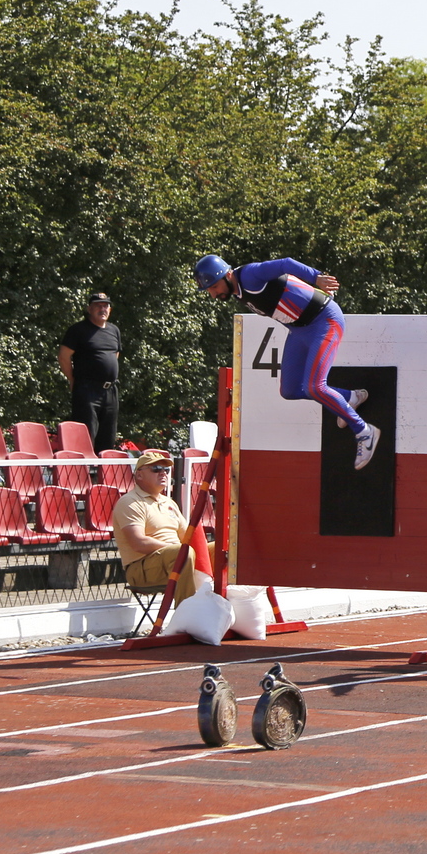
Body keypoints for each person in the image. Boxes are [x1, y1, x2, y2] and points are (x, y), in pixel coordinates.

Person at [193, 255, 380, 469]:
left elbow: (285, 264)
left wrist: (316, 277)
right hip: (299, 329)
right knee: (290, 390)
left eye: (214, 287)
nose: (213, 294)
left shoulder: (250, 275)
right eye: (209, 290)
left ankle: (364, 431)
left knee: (314, 387)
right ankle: (350, 397)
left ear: (227, 275)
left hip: (324, 321)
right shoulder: (235, 290)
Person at [111, 448, 198, 605]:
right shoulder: (130, 502)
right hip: (141, 569)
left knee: (220, 551)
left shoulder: (169, 503)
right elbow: (139, 543)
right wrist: (176, 549)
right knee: (183, 553)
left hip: (174, 559)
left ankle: (223, 611)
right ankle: (188, 615)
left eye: (165, 469)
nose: (163, 473)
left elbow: (189, 538)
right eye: (156, 469)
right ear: (139, 475)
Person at [57, 292, 123, 452]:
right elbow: (64, 357)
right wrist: (72, 379)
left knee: (108, 437)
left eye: (105, 305)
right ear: (89, 309)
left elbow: (115, 355)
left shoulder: (114, 330)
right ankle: (83, 474)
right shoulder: (78, 330)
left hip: (110, 391)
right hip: (87, 389)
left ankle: (101, 475)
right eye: (98, 305)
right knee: (86, 435)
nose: (102, 309)